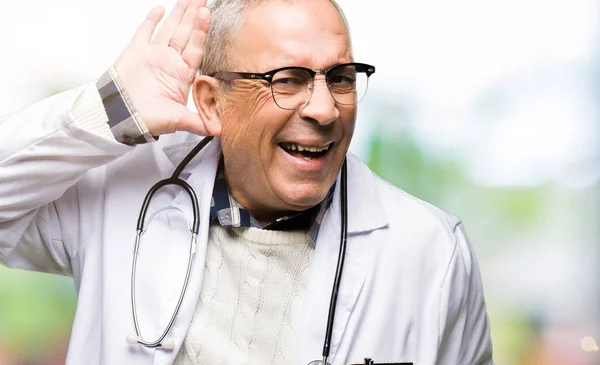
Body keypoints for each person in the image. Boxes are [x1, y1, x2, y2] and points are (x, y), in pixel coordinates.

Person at [0, 0, 494, 364]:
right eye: (287, 79)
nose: (324, 110)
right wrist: (112, 107)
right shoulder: (117, 197)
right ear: (213, 103)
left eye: (341, 77)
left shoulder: (432, 251)